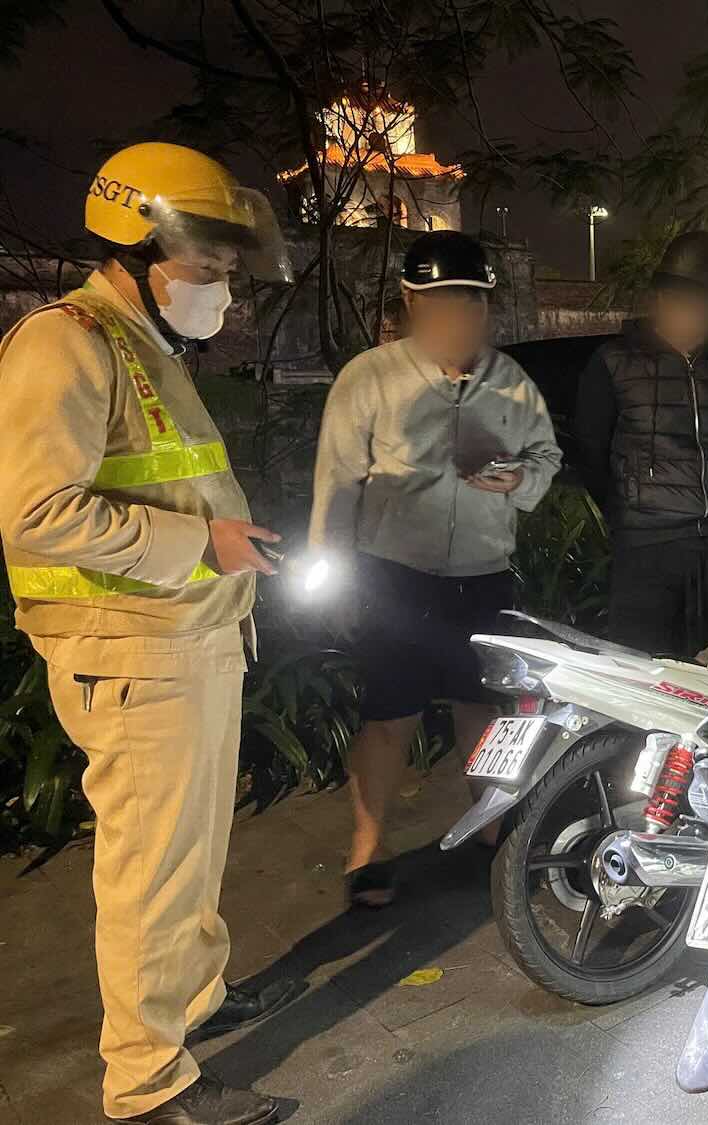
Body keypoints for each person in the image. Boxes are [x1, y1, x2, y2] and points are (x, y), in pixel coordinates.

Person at [0, 142, 296, 1124]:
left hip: (184, 645)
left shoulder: (144, 344)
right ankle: (149, 1086)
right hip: (131, 656)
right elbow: (37, 515)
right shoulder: (66, 342)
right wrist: (199, 543)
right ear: (138, 245)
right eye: (205, 269)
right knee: (151, 876)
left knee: (193, 857)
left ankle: (196, 1001)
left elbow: (165, 482)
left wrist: (228, 545)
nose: (218, 290)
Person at [308, 230, 562, 908]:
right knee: (390, 713)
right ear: (411, 304)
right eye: (442, 303)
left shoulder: (510, 382)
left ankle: (492, 835)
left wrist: (516, 481)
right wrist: (332, 570)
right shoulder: (372, 376)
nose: (459, 318)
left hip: (484, 572)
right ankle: (366, 852)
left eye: (471, 304)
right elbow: (336, 482)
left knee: (483, 710)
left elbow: (545, 457)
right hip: (398, 572)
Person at [573, 230, 708, 657]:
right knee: (643, 677)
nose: (682, 310)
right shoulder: (613, 362)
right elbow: (590, 452)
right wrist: (631, 510)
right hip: (647, 553)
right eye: (672, 295)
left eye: (696, 300)